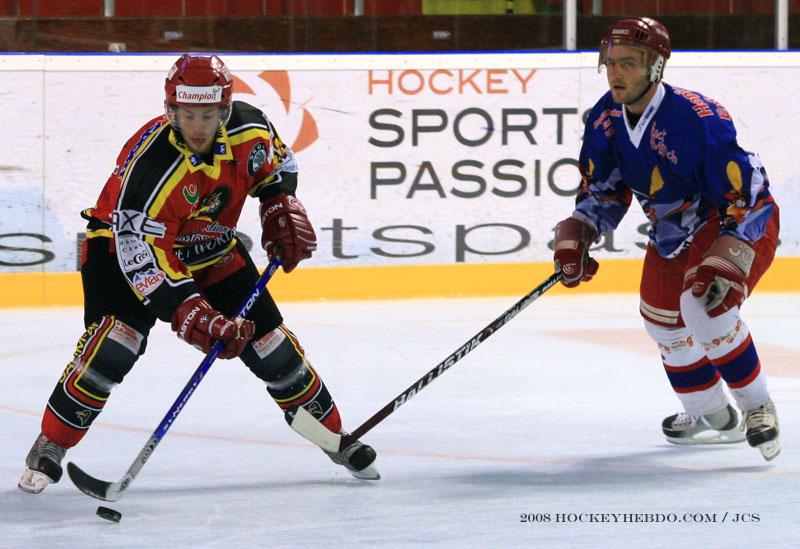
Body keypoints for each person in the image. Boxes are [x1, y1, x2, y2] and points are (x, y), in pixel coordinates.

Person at [19, 53, 379, 494]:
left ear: (224, 109)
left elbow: (280, 167)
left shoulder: (251, 127)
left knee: (272, 349)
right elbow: (140, 255)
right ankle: (50, 445)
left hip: (210, 246)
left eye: (208, 115)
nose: (198, 126)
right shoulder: (151, 169)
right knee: (115, 344)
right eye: (188, 115)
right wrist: (189, 312)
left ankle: (334, 437)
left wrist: (278, 203)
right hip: (120, 248)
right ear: (171, 110)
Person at [553, 17, 780, 460]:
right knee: (662, 321)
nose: (616, 73)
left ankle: (758, 407)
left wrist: (730, 254)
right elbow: (604, 191)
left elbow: (747, 192)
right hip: (673, 231)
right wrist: (579, 232)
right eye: (611, 62)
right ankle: (711, 414)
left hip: (735, 220)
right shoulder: (604, 119)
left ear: (656, 67)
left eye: (629, 63)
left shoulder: (697, 118)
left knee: (704, 307)